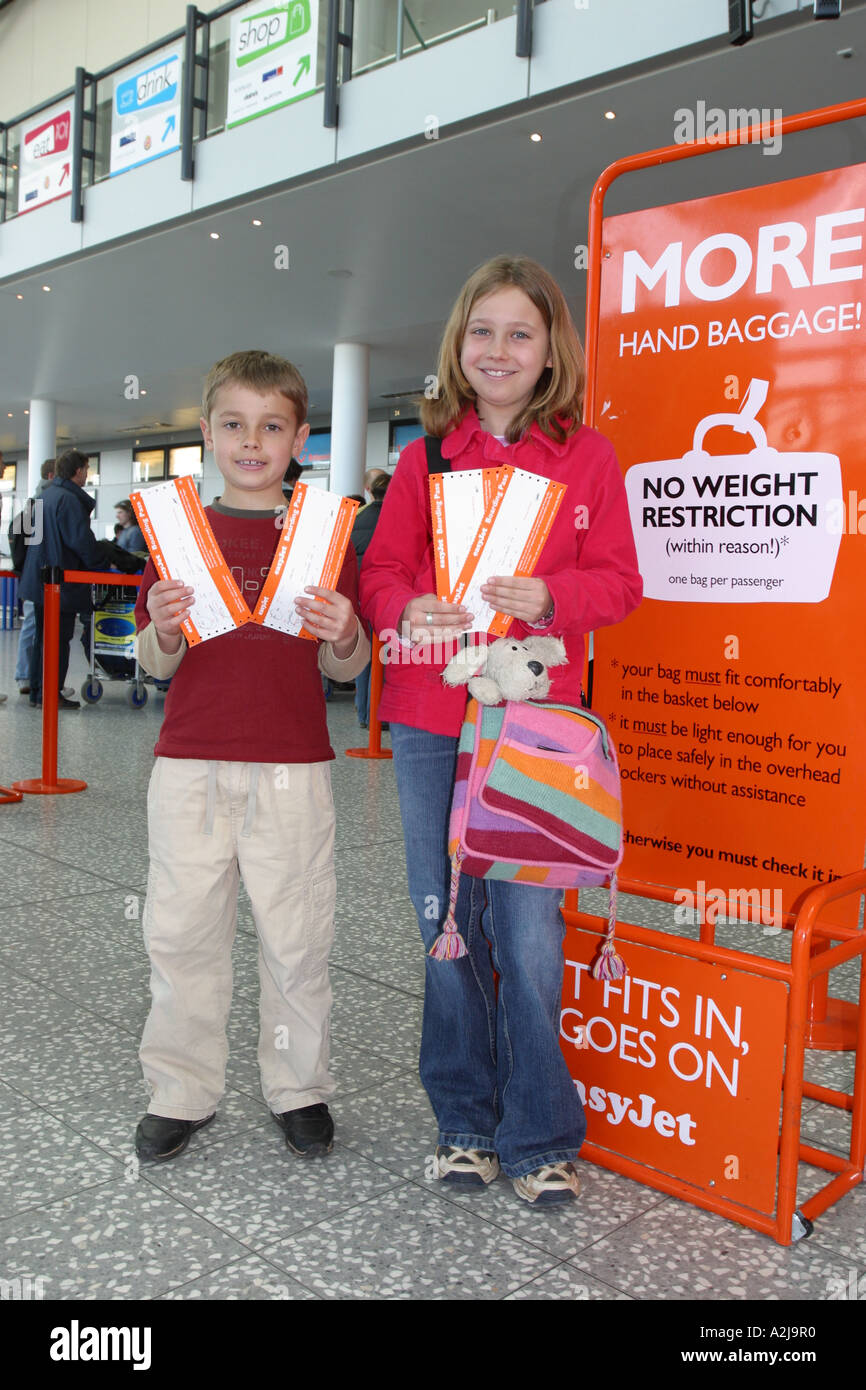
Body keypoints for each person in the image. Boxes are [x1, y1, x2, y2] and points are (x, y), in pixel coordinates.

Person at [360, 255, 642, 1206]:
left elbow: (621, 583)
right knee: (442, 919)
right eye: (482, 331)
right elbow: (380, 576)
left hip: (536, 727)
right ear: (459, 344)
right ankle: (464, 1124)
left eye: (520, 333)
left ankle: (540, 1134)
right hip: (431, 717)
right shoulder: (424, 458)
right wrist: (416, 605)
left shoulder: (588, 457)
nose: (498, 350)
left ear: (550, 348)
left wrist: (554, 595)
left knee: (526, 926)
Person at [133, 350, 370, 1164]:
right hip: (190, 763)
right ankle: (181, 1088)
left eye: (272, 426)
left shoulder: (323, 538)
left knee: (297, 935)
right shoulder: (176, 537)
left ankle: (297, 1086)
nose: (251, 441)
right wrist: (163, 629)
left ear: (299, 436)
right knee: (181, 933)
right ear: (205, 434)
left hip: (293, 766)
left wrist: (346, 634)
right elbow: (153, 661)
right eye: (233, 424)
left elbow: (348, 667)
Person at [18, 451, 109, 710]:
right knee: (58, 640)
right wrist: (102, 565)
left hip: (38, 578)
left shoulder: (44, 495)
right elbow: (80, 541)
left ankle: (38, 691)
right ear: (78, 471)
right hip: (59, 582)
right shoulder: (69, 500)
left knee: (42, 639)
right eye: (87, 469)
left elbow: (21, 533)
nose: (87, 474)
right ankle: (52, 693)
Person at [349, 471, 390, 728]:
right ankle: (380, 716)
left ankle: (365, 714)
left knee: (365, 655)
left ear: (369, 491)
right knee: (387, 656)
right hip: (387, 596)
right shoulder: (399, 517)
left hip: (361, 594)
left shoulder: (357, 516)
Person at [12, 458, 56, 697]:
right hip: (36, 578)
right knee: (32, 625)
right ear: (51, 476)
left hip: (31, 575)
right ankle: (26, 675)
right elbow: (32, 543)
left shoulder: (34, 504)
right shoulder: (40, 505)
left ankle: (30, 676)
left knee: (34, 626)